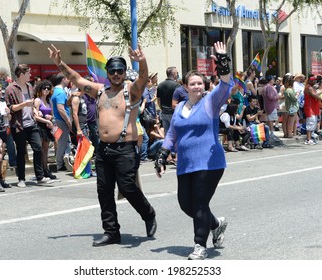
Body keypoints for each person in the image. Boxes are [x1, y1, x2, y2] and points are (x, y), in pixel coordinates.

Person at [48, 43, 157, 246]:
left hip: (125, 148)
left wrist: (142, 60)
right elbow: (76, 79)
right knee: (104, 190)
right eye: (112, 71)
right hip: (104, 149)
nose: (116, 74)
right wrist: (59, 63)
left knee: (128, 186)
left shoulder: (132, 91)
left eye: (120, 71)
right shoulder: (99, 91)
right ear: (107, 73)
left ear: (124, 73)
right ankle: (111, 231)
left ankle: (148, 213)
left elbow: (143, 78)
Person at [154, 42, 233, 260]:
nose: (197, 86)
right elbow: (172, 134)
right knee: (186, 204)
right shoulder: (180, 108)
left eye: (200, 83)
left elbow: (226, 85)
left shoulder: (210, 102)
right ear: (185, 87)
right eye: (193, 83)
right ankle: (216, 224)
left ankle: (200, 245)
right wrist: (162, 154)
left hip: (210, 163)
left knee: (199, 203)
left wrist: (222, 60)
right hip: (185, 164)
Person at [5, 64, 54, 187]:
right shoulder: (10, 89)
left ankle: (40, 176)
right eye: (28, 73)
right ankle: (21, 178)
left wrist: (37, 112)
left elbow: (32, 105)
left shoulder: (30, 87)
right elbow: (10, 108)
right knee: (21, 151)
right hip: (19, 125)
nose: (30, 75)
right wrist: (24, 104)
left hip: (31, 123)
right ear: (21, 74)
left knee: (38, 147)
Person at [33, 80, 57, 179]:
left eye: (48, 88)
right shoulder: (38, 100)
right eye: (44, 88)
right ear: (40, 89)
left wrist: (49, 117)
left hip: (47, 127)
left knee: (46, 149)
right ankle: (41, 171)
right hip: (40, 127)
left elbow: (52, 115)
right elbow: (35, 116)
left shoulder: (49, 101)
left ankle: (46, 169)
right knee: (40, 149)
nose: (46, 90)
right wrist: (46, 120)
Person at [50, 73, 72, 172]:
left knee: (64, 141)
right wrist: (68, 121)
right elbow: (61, 108)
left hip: (58, 120)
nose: (69, 81)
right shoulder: (60, 92)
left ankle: (64, 158)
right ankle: (60, 163)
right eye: (67, 79)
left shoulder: (56, 91)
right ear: (63, 79)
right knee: (63, 142)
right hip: (61, 120)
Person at [157, 66, 180, 133]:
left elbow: (158, 100)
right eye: (176, 72)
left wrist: (162, 108)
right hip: (173, 113)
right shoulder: (177, 85)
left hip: (164, 112)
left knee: (167, 134)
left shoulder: (160, 85)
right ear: (174, 74)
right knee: (175, 133)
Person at [303, 75, 322, 145]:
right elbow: (314, 95)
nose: (315, 81)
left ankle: (310, 138)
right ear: (310, 81)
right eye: (313, 80)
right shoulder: (309, 87)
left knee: (313, 123)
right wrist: (320, 98)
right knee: (310, 123)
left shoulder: (311, 87)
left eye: (315, 80)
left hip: (313, 108)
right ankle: (308, 139)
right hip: (310, 108)